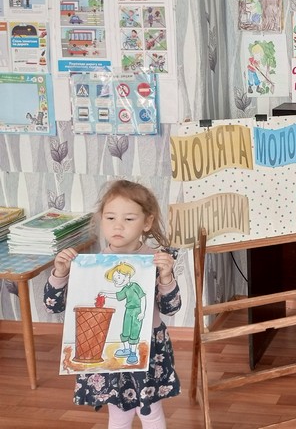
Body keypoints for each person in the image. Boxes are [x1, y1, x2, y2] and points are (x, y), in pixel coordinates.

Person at [43, 180, 181, 429]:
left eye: (129, 219)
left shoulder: (156, 261)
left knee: (149, 410)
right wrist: (60, 272)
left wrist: (166, 277)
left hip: (149, 347)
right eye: (110, 218)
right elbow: (53, 305)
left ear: (147, 222)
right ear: (101, 220)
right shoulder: (91, 265)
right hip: (107, 347)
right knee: (118, 413)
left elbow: (171, 307)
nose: (118, 225)